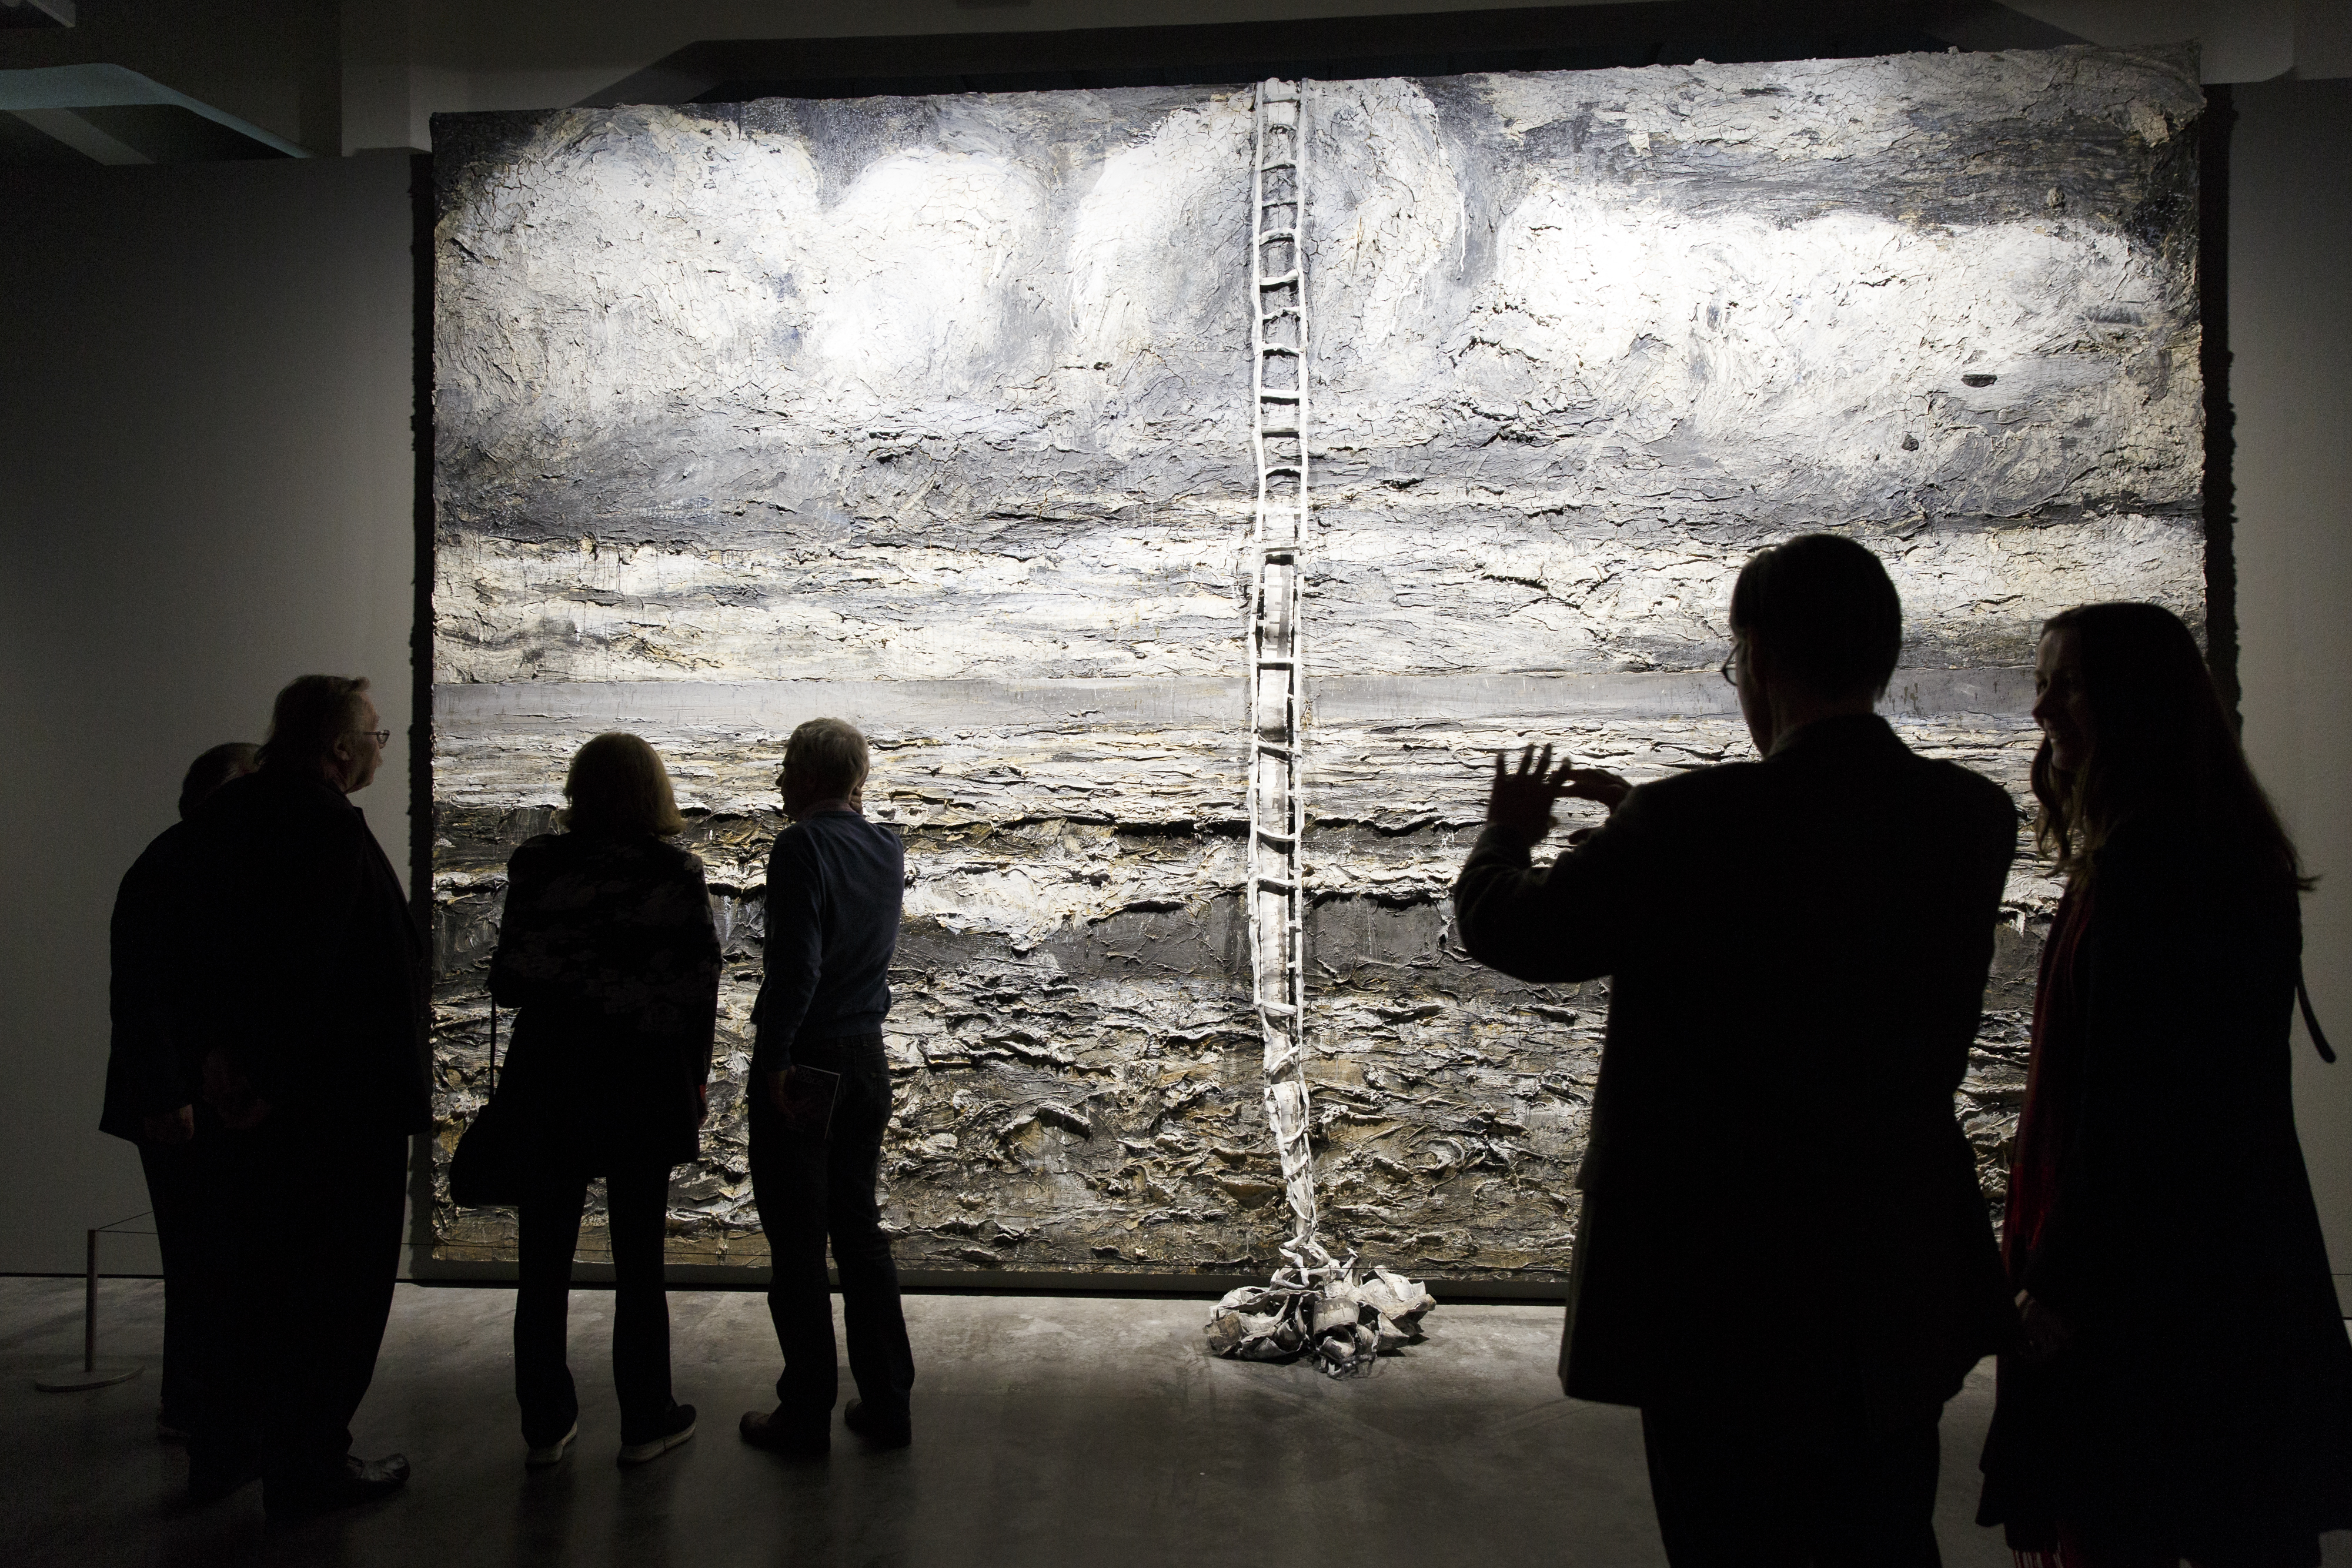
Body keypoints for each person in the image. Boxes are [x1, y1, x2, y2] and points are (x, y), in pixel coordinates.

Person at [1454, 534, 2018, 1567]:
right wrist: (1647, 830)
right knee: (1886, 1532)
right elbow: (1817, 889)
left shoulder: (1688, 825)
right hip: (1892, 1268)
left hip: (1720, 1292)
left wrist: (1509, 834)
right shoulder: (1970, 817)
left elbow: (1519, 930)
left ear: (1756, 656)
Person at [1976, 603, 2352, 1568]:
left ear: (2127, 702)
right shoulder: (2197, 853)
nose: (2041, 707)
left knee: (2129, 1519)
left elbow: (2133, 1105)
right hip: (2218, 1272)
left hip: (2152, 1294)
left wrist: (2056, 1280)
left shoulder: (2153, 870)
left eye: (2065, 682)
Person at [179, 676, 428, 1516]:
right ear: (339, 749)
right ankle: (312, 1460)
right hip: (333, 1110)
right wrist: (270, 1079)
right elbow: (306, 973)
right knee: (336, 1290)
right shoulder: (321, 826)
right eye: (376, 733)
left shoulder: (225, 818)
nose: (383, 746)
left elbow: (190, 950)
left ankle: (252, 1449)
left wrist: (218, 1064)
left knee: (256, 1285)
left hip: (263, 1102)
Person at [489, 731, 720, 1469]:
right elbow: (697, 989)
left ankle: (545, 1424)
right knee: (639, 1259)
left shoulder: (536, 865)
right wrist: (697, 1077)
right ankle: (646, 1418)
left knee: (543, 1258)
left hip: (550, 1071)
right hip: (641, 1074)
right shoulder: (673, 871)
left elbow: (508, 979)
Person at [739, 717, 916, 1457]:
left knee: (798, 1241)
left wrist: (774, 1057)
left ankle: (805, 1412)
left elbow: (796, 967)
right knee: (859, 1230)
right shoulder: (885, 845)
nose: (779, 780)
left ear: (809, 777)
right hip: (866, 1055)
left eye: (787, 768)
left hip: (808, 1061)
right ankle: (887, 1402)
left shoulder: (800, 845)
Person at [99, 741, 258, 1442]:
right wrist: (167, 1097)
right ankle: (197, 1404)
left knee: (206, 1259)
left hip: (191, 1096)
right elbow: (141, 998)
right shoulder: (173, 868)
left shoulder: (185, 864)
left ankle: (201, 1401)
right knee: (200, 1259)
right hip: (181, 1102)